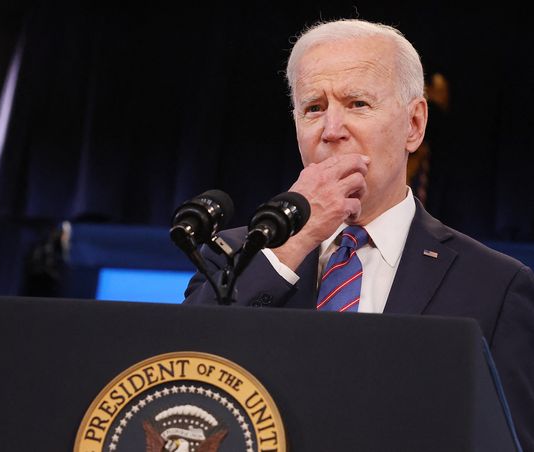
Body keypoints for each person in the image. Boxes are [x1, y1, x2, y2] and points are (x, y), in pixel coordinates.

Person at [182, 19, 534, 450]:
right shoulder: (231, 255)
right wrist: (297, 236)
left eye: (358, 104)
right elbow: (185, 374)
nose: (331, 130)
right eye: (313, 108)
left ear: (414, 124)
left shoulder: (496, 286)